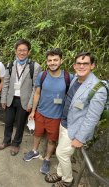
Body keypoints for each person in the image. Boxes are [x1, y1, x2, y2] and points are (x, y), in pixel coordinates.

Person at [45, 52, 107, 187]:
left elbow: (92, 118)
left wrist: (80, 138)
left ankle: (67, 180)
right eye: (79, 63)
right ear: (74, 66)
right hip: (64, 123)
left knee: (61, 153)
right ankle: (60, 173)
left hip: (75, 129)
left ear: (92, 65)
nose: (81, 66)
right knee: (62, 153)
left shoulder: (98, 89)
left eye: (85, 63)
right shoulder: (75, 79)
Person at [23, 49, 72, 175]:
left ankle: (47, 158)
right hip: (40, 113)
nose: (52, 63)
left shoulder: (68, 77)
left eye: (55, 60)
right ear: (47, 62)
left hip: (56, 116)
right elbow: (37, 93)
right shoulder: (42, 75)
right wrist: (33, 111)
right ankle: (34, 151)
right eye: (50, 60)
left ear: (61, 60)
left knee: (52, 140)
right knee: (37, 134)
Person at [0, 39, 41, 156]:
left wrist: (31, 104)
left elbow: (35, 88)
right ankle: (6, 141)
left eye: (24, 50)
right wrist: (3, 99)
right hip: (11, 99)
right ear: (16, 51)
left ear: (29, 52)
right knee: (8, 122)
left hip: (24, 100)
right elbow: (6, 83)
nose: (22, 53)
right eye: (19, 50)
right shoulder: (11, 64)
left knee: (20, 123)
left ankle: (16, 144)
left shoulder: (35, 67)